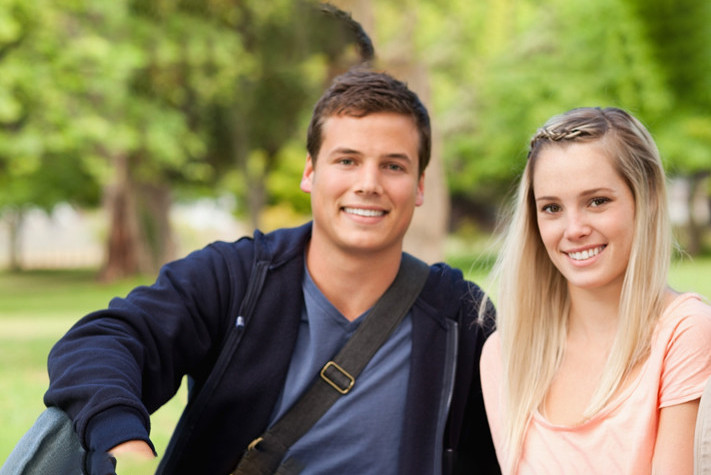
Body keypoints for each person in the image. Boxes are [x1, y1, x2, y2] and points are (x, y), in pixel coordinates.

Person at [5, 69, 498, 474]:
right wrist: (126, 444)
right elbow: (104, 340)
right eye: (347, 160)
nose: (368, 184)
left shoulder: (460, 317)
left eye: (393, 166)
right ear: (311, 172)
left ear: (419, 185)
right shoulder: (239, 278)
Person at [479, 106, 711, 474]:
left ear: (646, 198)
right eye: (552, 208)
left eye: (597, 201)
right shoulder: (506, 356)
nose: (573, 229)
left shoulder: (684, 333)